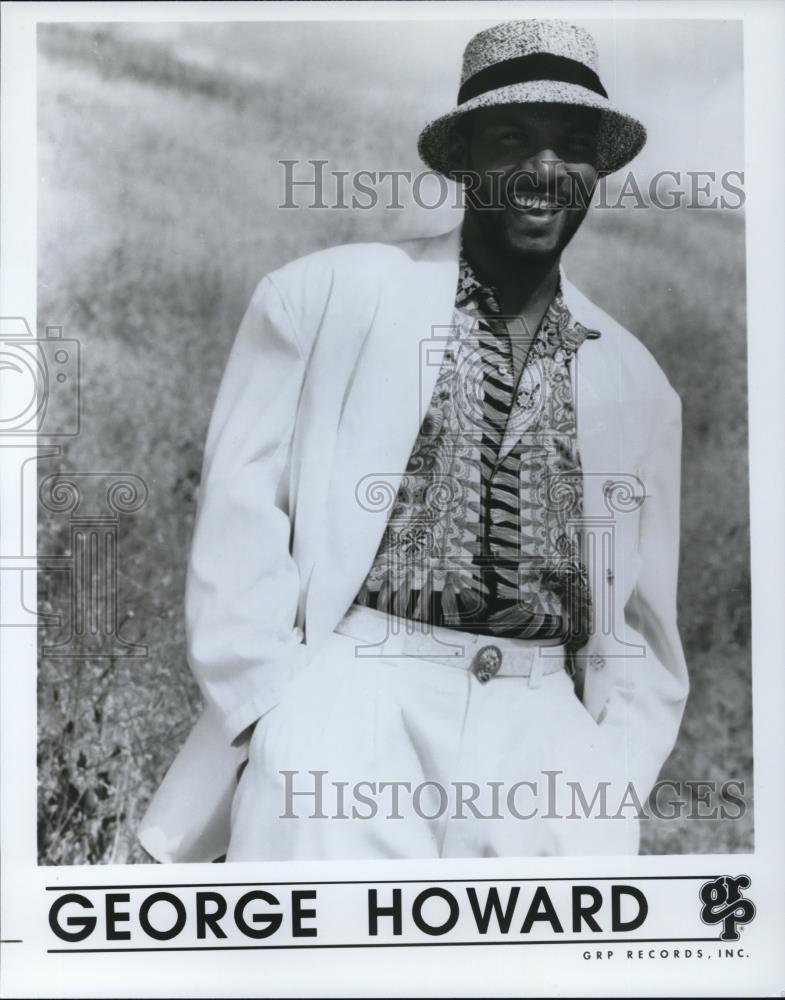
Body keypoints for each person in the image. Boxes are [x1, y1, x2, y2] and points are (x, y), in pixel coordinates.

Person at [139, 19, 688, 862]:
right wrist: (274, 710)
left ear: (596, 170)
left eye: (572, 145)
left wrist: (608, 774)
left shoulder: (638, 381)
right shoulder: (327, 296)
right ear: (465, 156)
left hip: (548, 742)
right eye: (512, 139)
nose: (545, 172)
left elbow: (645, 632)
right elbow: (239, 516)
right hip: (351, 701)